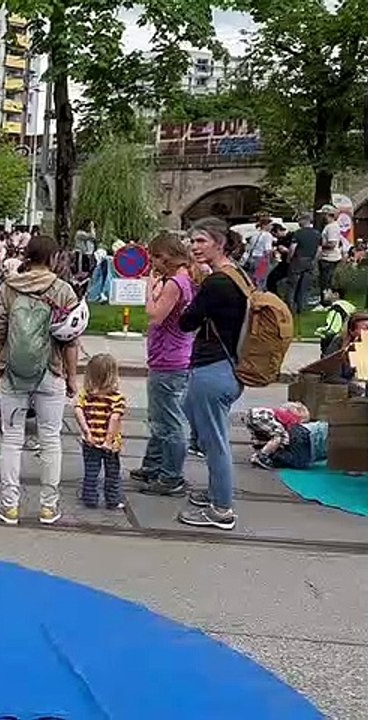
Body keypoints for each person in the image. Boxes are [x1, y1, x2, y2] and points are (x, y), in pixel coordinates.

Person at [0, 234, 81, 526]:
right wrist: (71, 378)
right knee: (51, 439)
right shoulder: (63, 290)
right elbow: (71, 339)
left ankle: (10, 506)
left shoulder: (8, 288)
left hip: (12, 371)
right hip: (51, 371)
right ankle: (48, 507)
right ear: (53, 258)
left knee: (12, 439)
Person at [176, 217, 248, 532]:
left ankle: (222, 510)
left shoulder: (217, 283)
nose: (194, 247)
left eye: (201, 241)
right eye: (192, 241)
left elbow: (186, 322)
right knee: (198, 421)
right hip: (229, 365)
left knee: (215, 441)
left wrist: (194, 296)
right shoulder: (237, 276)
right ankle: (216, 493)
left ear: (219, 243)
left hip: (213, 368)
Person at [133, 233, 196, 497]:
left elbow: (155, 315)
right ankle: (154, 465)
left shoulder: (175, 283)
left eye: (155, 258)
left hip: (169, 360)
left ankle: (171, 476)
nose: (153, 264)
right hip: (172, 356)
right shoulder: (185, 278)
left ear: (165, 256)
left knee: (169, 421)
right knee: (159, 417)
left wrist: (149, 289)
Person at [74, 354, 128, 510]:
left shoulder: (86, 395)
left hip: (90, 441)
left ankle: (90, 498)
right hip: (110, 445)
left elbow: (78, 411)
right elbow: (114, 419)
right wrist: (108, 441)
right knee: (112, 473)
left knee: (91, 471)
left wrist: (87, 432)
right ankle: (112, 500)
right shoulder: (117, 398)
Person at [284, 215, 320, 315]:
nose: (298, 222)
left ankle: (290, 307)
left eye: (299, 220)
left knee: (292, 285)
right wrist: (314, 259)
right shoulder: (317, 233)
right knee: (305, 285)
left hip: (298, 260)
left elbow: (292, 248)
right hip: (311, 260)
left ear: (304, 221)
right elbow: (319, 249)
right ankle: (301, 307)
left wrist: (289, 258)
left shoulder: (298, 233)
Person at [315, 282, 356, 356]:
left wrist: (319, 331)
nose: (324, 292)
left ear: (336, 295)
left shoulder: (336, 309)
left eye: (328, 291)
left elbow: (333, 330)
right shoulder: (350, 307)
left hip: (335, 346)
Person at [317, 205, 345, 299]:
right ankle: (327, 299)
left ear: (328, 214)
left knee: (325, 281)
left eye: (323, 214)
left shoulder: (332, 227)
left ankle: (325, 301)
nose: (321, 216)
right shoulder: (330, 226)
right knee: (326, 280)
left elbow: (332, 244)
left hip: (329, 258)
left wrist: (320, 246)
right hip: (328, 257)